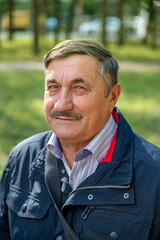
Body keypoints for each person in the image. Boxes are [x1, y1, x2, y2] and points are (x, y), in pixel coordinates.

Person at [0, 39, 160, 240]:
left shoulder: (155, 175)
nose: (62, 104)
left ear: (112, 96)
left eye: (79, 88)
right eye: (53, 87)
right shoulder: (22, 158)